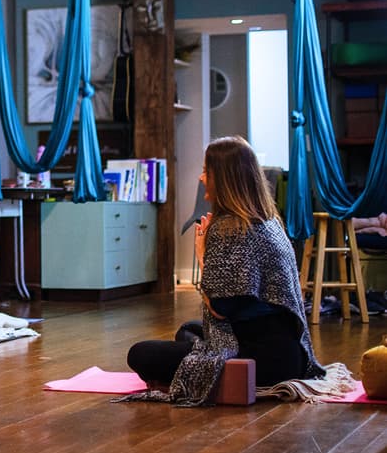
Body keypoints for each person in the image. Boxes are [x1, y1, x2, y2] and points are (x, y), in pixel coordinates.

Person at [122, 136, 325, 405]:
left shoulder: (230, 228)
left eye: (207, 171)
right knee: (188, 330)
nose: (201, 177)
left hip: (263, 360)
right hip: (293, 353)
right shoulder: (269, 222)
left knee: (140, 354)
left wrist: (202, 254)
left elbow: (221, 307)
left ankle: (222, 377)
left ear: (225, 178)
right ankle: (215, 372)